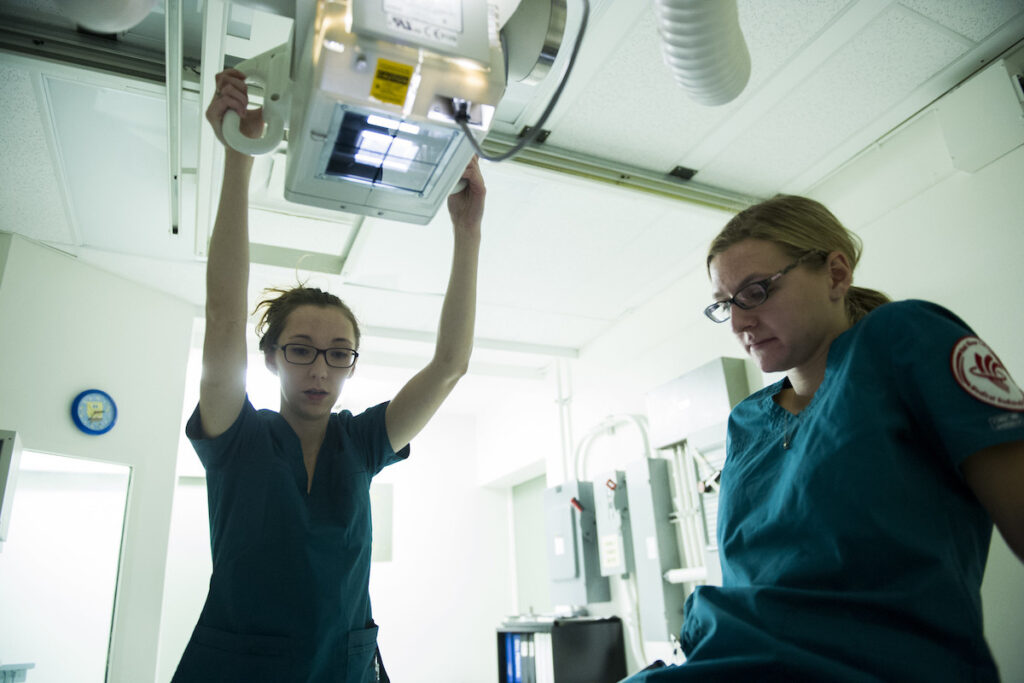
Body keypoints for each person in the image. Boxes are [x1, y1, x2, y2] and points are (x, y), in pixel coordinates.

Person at [627, 195, 1024, 682]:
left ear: (836, 274)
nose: (738, 323)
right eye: (724, 305)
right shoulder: (747, 421)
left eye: (755, 292)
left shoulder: (902, 338)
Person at [171, 68, 486, 683]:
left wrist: (467, 232)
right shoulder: (236, 437)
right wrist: (239, 160)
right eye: (301, 350)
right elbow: (223, 312)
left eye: (339, 352)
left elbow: (450, 366)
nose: (321, 368)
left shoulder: (362, 442)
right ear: (269, 358)